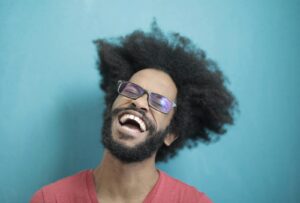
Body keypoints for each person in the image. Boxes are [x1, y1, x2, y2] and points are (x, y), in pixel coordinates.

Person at [30, 21, 237, 203]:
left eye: (159, 102)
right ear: (113, 106)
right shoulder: (50, 199)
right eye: (132, 90)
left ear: (171, 133)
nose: (139, 103)